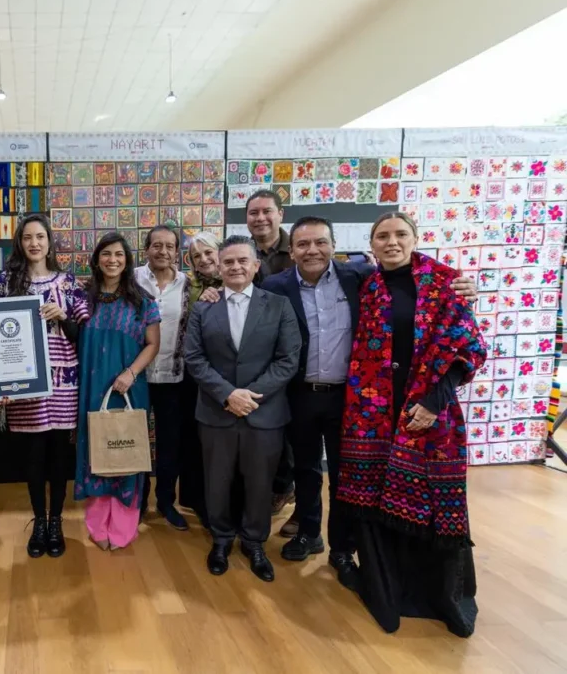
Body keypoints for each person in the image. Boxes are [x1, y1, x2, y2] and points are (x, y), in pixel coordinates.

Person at [261, 216, 479, 584]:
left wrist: (466, 287)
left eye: (320, 242)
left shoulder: (358, 277)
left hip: (351, 398)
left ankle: (342, 547)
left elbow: (416, 283)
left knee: (347, 475)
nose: (312, 250)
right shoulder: (275, 285)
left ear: (334, 246)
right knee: (306, 470)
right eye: (303, 244)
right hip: (299, 394)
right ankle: (308, 533)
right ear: (291, 250)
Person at [336, 212, 486, 637]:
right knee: (376, 497)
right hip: (373, 415)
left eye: (401, 234)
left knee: (432, 498)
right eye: (382, 236)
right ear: (371, 244)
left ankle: (439, 597)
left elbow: (466, 346)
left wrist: (434, 402)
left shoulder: (444, 283)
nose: (392, 242)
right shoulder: (367, 286)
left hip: (429, 411)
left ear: (416, 238)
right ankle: (388, 590)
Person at [184, 235, 301, 582]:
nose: (235, 267)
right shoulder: (203, 308)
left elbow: (288, 359)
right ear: (219, 268)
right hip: (216, 412)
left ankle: (254, 541)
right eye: (228, 262)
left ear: (255, 265)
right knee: (217, 481)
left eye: (242, 261)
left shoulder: (278, 306)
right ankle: (221, 539)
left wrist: (248, 396)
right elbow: (194, 358)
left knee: (260, 482)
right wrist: (227, 395)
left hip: (264, 412)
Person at [0, 215, 89, 558]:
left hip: (64, 380)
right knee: (33, 457)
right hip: (25, 383)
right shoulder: (4, 283)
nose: (34, 243)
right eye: (27, 237)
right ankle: (39, 521)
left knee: (59, 456)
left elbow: (83, 337)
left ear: (49, 243)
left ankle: (57, 521)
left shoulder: (68, 283)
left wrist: (62, 316)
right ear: (19, 243)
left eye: (40, 237)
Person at [74, 233, 161, 551]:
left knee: (126, 450)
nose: (112, 260)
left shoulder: (143, 301)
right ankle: (97, 527)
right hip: (91, 386)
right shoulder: (82, 298)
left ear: (127, 261)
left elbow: (153, 344)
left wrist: (130, 373)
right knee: (96, 451)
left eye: (119, 255)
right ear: (97, 260)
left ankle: (123, 528)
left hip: (128, 386)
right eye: (106, 254)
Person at [135, 226, 191, 530]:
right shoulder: (131, 279)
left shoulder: (188, 284)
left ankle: (166, 501)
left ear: (177, 251)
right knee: (136, 442)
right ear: (146, 249)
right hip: (137, 376)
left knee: (171, 443)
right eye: (157, 245)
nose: (163, 251)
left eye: (170, 246)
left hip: (174, 377)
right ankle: (138, 501)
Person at [177, 232, 222, 526]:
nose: (203, 260)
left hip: (224, 375)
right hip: (191, 374)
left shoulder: (235, 280)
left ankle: (219, 504)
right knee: (192, 438)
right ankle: (196, 501)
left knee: (218, 442)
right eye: (196, 256)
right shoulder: (188, 286)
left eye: (208, 253)